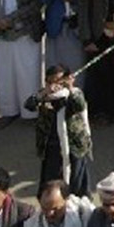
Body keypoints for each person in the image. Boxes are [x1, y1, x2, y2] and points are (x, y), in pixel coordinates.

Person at [23, 65, 92, 196]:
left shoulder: (74, 93)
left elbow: (79, 105)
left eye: (59, 81)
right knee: (51, 179)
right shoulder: (44, 96)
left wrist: (70, 88)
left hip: (73, 145)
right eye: (50, 82)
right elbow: (28, 105)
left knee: (76, 178)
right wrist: (43, 93)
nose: (55, 85)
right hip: (51, 144)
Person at [26, 181, 95, 227]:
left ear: (66, 200)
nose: (49, 213)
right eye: (45, 209)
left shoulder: (85, 214)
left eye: (55, 208)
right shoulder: (32, 225)